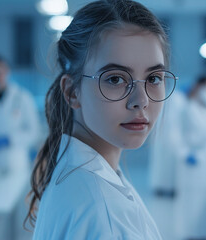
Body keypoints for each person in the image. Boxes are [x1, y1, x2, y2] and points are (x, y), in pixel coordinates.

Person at [25, 0, 176, 239]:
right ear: (72, 91)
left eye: (154, 78)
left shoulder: (79, 174)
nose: (141, 100)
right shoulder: (103, 213)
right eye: (115, 79)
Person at [0, 56, 40, 176]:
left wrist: (9, 140)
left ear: (7, 70)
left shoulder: (23, 97)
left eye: (1, 70)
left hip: (15, 162)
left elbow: (34, 132)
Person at [174, 75, 206, 240]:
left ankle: (203, 233)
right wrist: (184, 153)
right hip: (190, 161)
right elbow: (176, 135)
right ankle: (190, 234)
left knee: (205, 198)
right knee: (190, 201)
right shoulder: (187, 108)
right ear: (198, 87)